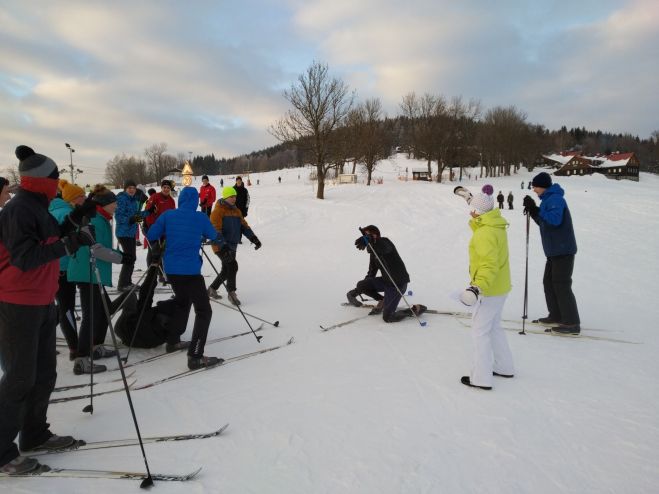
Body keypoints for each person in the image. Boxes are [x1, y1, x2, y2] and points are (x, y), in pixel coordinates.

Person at [0, 145, 90, 474]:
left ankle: (34, 434)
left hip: (40, 300)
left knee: (44, 374)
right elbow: (25, 257)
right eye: (55, 177)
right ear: (42, 181)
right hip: (16, 302)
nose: (58, 182)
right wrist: (68, 244)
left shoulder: (37, 206)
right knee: (20, 377)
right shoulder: (19, 209)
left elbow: (52, 237)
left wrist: (76, 224)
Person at [146, 186, 222, 370]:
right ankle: (195, 356)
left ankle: (172, 341)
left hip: (171, 270)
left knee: (183, 302)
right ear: (196, 200)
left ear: (180, 200)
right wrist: (205, 237)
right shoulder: (200, 217)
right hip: (190, 272)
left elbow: (151, 234)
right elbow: (214, 236)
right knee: (204, 311)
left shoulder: (168, 215)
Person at [457, 185, 514, 390]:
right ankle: (504, 366)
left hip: (489, 290)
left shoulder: (484, 233)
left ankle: (480, 378)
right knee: (494, 327)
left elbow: (489, 264)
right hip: (501, 287)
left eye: (472, 209)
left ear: (478, 212)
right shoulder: (494, 225)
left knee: (479, 332)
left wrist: (476, 287)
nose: (470, 211)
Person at [67, 185, 125, 374]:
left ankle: (96, 346)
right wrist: (122, 257)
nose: (116, 206)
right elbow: (96, 249)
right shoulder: (96, 220)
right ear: (105, 204)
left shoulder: (102, 218)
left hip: (92, 271)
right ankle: (81, 359)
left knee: (102, 311)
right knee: (91, 315)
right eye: (114, 203)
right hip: (87, 271)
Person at [523, 172, 580, 335]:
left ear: (543, 186)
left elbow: (554, 221)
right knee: (549, 282)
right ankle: (556, 315)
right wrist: (533, 210)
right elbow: (544, 223)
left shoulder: (555, 199)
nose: (533, 189)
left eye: (535, 186)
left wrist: (537, 209)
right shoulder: (547, 200)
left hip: (563, 250)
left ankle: (571, 323)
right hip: (554, 250)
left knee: (562, 285)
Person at [48, 179, 87, 360]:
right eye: (81, 196)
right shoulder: (67, 214)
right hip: (63, 267)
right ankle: (74, 348)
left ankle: (45, 340)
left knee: (59, 306)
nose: (84, 199)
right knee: (66, 308)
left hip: (54, 266)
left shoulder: (53, 210)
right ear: (72, 198)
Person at [114, 262, 187, 351]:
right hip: (143, 340)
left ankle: (107, 311)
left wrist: (153, 269)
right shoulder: (168, 333)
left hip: (123, 329)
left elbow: (146, 291)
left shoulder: (147, 315)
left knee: (131, 296)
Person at [207, 187, 261, 305]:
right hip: (219, 245)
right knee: (232, 266)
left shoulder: (237, 211)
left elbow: (244, 226)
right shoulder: (218, 211)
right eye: (231, 197)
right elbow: (215, 230)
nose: (234, 199)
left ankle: (212, 289)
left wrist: (254, 238)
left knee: (226, 270)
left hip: (232, 245)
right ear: (225, 197)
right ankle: (231, 293)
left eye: (235, 196)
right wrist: (223, 245)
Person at [346, 225, 411, 323]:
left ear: (375, 235)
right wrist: (357, 291)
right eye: (365, 235)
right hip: (386, 281)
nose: (366, 238)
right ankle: (383, 300)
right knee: (361, 284)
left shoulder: (385, 242)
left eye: (368, 235)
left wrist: (370, 240)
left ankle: (415, 309)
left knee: (388, 317)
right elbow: (371, 272)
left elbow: (384, 248)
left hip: (397, 284)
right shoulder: (373, 253)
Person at [115, 179, 148, 291]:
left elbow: (137, 216)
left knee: (131, 258)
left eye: (133, 188)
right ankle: (123, 284)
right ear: (125, 189)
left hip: (131, 232)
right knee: (130, 258)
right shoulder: (121, 199)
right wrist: (130, 219)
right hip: (123, 233)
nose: (131, 190)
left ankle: (127, 282)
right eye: (129, 188)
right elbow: (119, 217)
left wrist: (149, 212)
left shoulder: (133, 200)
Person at [144, 180, 176, 270]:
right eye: (164, 187)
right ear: (161, 188)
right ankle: (151, 272)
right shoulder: (155, 197)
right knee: (154, 250)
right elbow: (147, 213)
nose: (166, 189)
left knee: (163, 250)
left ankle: (161, 272)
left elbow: (172, 216)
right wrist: (153, 227)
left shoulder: (171, 201)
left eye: (168, 188)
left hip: (164, 230)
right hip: (152, 228)